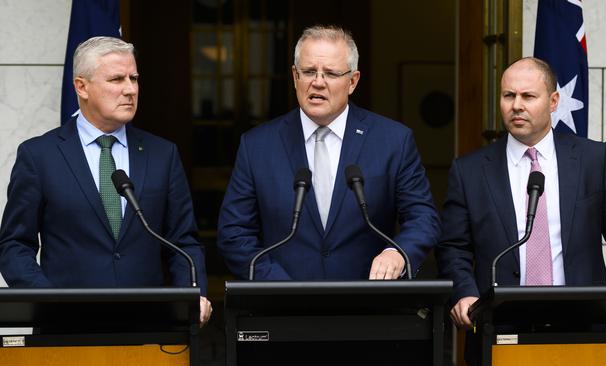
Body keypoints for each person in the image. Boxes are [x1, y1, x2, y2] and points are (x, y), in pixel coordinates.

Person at [436, 56, 606, 361]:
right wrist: (464, 292)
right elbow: (453, 247)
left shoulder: (592, 160)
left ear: (553, 101)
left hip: (586, 328)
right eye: (508, 96)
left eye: (528, 96)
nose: (516, 105)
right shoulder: (469, 171)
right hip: (501, 330)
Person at [0, 36, 212, 327]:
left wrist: (194, 295)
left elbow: (184, 242)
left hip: (149, 329)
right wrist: (47, 300)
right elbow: (14, 245)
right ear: (81, 87)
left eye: (134, 78)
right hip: (65, 330)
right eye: (116, 79)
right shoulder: (39, 156)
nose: (130, 89)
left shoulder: (163, 154)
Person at [217, 25, 440, 280]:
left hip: (369, 306)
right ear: (294, 76)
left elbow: (423, 218)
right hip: (281, 309)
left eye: (331, 74)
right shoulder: (257, 145)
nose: (318, 82)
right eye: (309, 71)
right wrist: (279, 286)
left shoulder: (393, 141)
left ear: (353, 81)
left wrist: (397, 253)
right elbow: (234, 233)